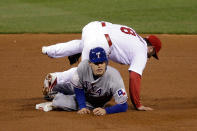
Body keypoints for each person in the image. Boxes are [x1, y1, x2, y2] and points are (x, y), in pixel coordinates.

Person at [41, 21, 162, 111]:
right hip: (101, 40)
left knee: (82, 45)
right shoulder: (142, 50)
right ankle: (56, 79)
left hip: (92, 26)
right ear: (151, 48)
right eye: (152, 54)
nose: (149, 57)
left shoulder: (133, 35)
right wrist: (138, 104)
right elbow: (135, 76)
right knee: (87, 70)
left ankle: (50, 50)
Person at [36, 47, 128, 115]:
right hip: (83, 90)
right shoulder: (83, 67)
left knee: (60, 102)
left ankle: (55, 99)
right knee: (57, 87)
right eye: (96, 63)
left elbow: (123, 105)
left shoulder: (114, 77)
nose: (99, 66)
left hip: (93, 102)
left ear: (106, 63)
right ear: (90, 63)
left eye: (102, 62)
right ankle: (51, 94)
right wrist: (82, 106)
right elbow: (77, 87)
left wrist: (105, 111)